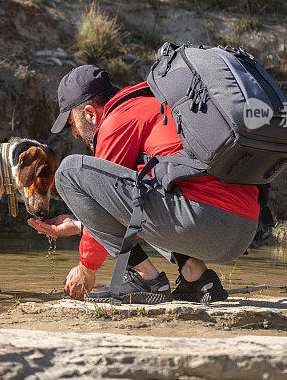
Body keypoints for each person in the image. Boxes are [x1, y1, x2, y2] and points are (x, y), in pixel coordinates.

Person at [28, 65, 260, 304]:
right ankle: (197, 278)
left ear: (89, 113)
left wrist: (86, 268)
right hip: (242, 230)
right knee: (150, 185)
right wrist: (79, 225)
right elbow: (125, 207)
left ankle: (145, 278)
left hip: (203, 219)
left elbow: (115, 203)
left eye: (71, 123)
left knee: (69, 172)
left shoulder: (117, 120)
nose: (75, 133)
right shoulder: (152, 106)